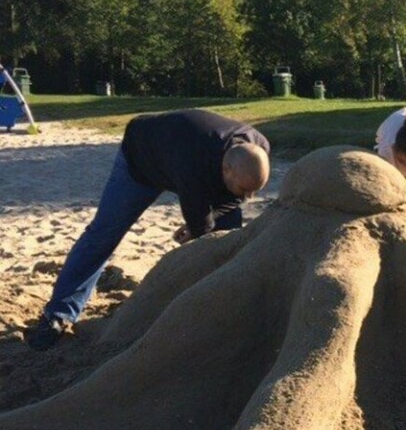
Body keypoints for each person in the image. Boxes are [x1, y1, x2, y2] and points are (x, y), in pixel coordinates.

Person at [27, 108, 271, 351]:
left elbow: (234, 200)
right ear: (226, 169)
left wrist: (218, 212)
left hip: (190, 159)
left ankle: (230, 308)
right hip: (141, 161)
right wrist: (198, 225)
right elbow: (202, 230)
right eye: (243, 189)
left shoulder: (258, 148)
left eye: (253, 189)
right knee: (102, 236)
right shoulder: (192, 163)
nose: (248, 196)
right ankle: (58, 315)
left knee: (230, 240)